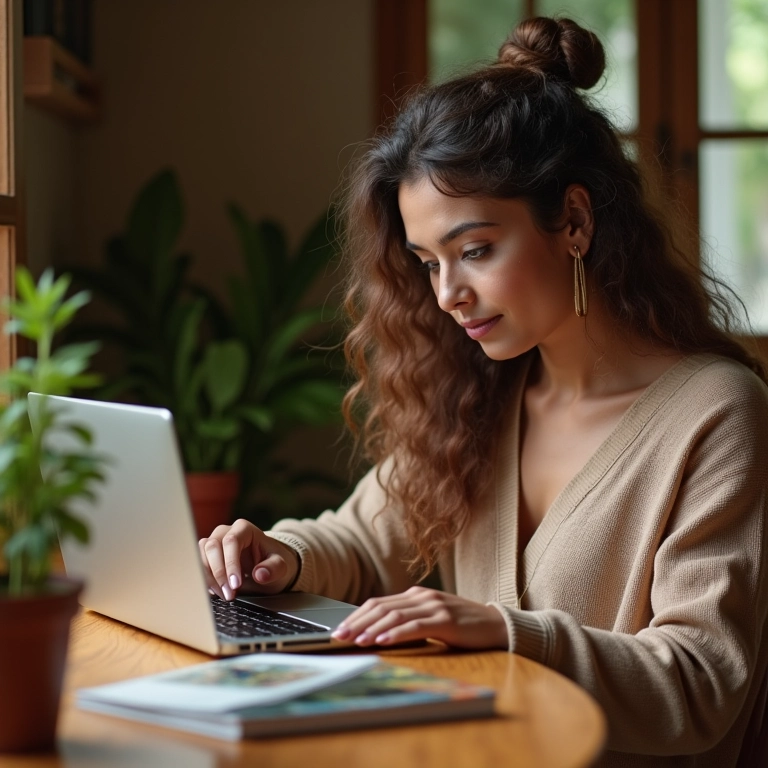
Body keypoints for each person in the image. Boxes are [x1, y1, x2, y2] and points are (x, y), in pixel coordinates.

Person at [199, 16, 768, 767]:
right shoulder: (482, 393)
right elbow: (364, 539)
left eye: (475, 250)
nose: (448, 295)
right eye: (428, 263)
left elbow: (700, 684)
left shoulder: (717, 412)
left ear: (573, 221)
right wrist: (282, 555)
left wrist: (504, 632)